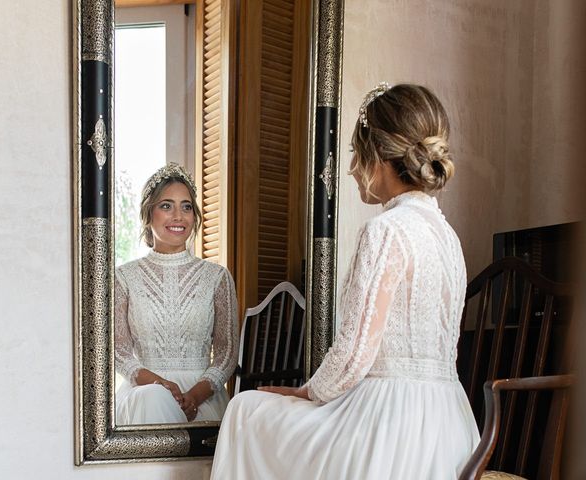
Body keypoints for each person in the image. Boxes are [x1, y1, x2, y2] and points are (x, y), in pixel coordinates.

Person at [210, 83, 480, 479]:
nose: (352, 169)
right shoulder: (448, 237)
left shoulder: (387, 231)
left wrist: (306, 392)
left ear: (380, 156)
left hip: (389, 424)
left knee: (244, 409)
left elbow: (354, 355)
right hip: (450, 424)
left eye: (356, 153)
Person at [114, 163, 238, 425]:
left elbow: (227, 353)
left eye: (186, 206)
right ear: (148, 214)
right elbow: (118, 351)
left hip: (204, 397)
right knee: (152, 400)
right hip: (143, 395)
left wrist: (194, 396)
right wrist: (160, 386)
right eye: (166, 206)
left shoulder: (216, 277)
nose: (178, 216)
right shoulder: (124, 277)